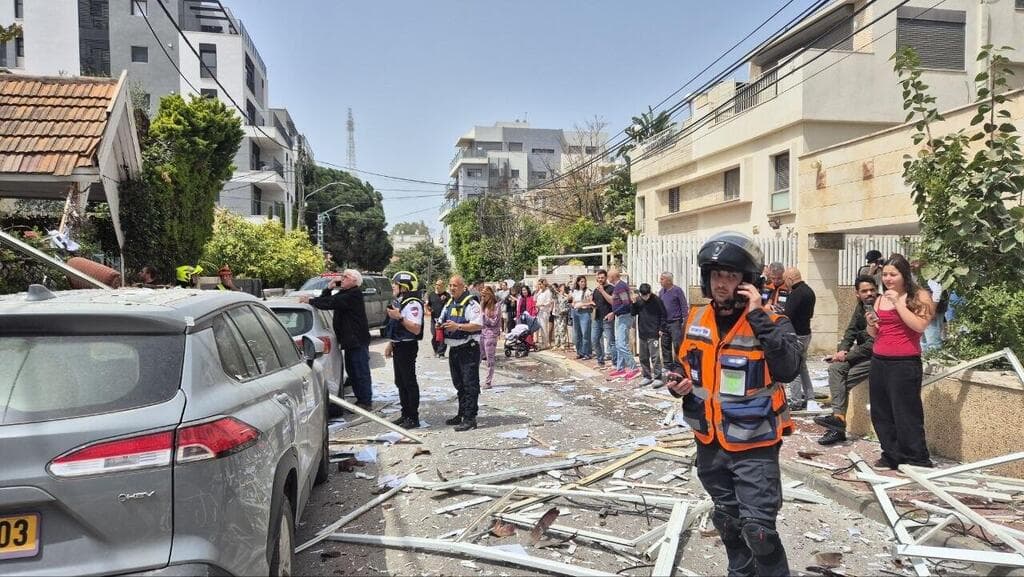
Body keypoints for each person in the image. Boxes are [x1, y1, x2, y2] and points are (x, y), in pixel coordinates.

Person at [666, 231, 802, 577]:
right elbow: (685, 367)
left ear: (747, 282)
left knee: (759, 532)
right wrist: (677, 384)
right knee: (728, 522)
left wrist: (757, 315)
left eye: (731, 276)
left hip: (754, 443)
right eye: (717, 276)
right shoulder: (695, 320)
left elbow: (788, 369)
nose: (722, 283)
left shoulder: (772, 321)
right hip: (709, 442)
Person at [866, 253, 934, 470]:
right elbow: (875, 334)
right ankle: (891, 454)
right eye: (885, 274)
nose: (887, 279)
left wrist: (899, 304)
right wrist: (870, 323)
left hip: (904, 363)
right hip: (879, 361)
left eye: (893, 275)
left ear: (904, 275)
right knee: (881, 412)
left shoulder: (919, 296)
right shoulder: (879, 298)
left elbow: (919, 326)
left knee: (906, 412)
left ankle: (917, 457)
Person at [815, 275, 878, 446]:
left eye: (872, 290)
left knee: (840, 384)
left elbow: (874, 343)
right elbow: (850, 332)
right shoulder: (861, 308)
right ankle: (839, 420)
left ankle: (837, 426)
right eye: (865, 291)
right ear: (857, 293)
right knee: (836, 369)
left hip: (878, 357)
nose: (869, 293)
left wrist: (847, 355)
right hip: (862, 355)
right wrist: (842, 350)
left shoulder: (879, 307)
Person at [300, 269, 373, 410]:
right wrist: (328, 288)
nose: (342, 279)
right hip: (349, 340)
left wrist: (310, 300)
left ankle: (365, 401)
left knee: (360, 371)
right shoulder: (344, 293)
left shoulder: (353, 294)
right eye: (342, 276)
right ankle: (361, 400)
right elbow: (325, 299)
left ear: (354, 281)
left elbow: (329, 303)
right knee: (352, 371)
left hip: (357, 340)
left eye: (346, 277)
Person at [439, 276, 484, 431]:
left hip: (468, 349)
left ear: (463, 287)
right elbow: (442, 319)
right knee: (459, 384)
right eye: (450, 285)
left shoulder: (471, 303)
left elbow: (478, 324)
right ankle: (462, 413)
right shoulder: (450, 302)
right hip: (454, 349)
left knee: (469, 384)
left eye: (455, 285)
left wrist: (458, 326)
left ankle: (470, 418)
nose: (452, 288)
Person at [384, 271, 424, 428]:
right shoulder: (401, 301)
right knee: (400, 381)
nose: (393, 286)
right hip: (399, 345)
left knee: (409, 382)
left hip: (407, 346)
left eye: (396, 284)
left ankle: (413, 417)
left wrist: (399, 317)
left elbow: (415, 328)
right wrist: (391, 343)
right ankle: (405, 413)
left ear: (404, 286)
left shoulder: (413, 303)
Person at [781, 267, 816, 410]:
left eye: (785, 281)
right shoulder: (809, 291)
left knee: (793, 367)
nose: (785, 285)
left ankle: (795, 401)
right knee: (802, 367)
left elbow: (787, 315)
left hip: (796, 335)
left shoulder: (796, 294)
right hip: (806, 332)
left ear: (789, 279)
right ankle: (810, 396)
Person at [597, 267, 640, 381]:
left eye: (609, 276)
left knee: (621, 344)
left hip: (624, 317)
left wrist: (613, 312)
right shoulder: (618, 286)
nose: (608, 278)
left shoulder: (620, 287)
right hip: (619, 316)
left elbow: (626, 303)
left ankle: (633, 368)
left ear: (613, 277)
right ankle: (620, 368)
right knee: (619, 343)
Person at [632, 283, 667, 387]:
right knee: (643, 357)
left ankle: (658, 377)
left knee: (655, 356)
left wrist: (661, 328)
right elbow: (633, 313)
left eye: (647, 295)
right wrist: (633, 304)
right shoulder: (638, 300)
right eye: (643, 295)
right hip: (642, 332)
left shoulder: (657, 300)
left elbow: (663, 315)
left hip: (654, 332)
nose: (645, 298)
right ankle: (647, 376)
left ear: (650, 292)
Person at [658, 271, 688, 373]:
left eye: (662, 279)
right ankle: (667, 365)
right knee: (665, 344)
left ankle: (679, 364)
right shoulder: (661, 292)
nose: (660, 281)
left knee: (677, 344)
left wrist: (685, 319)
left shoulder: (677, 291)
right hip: (664, 322)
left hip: (675, 322)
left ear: (669, 280)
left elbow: (684, 305)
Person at [591, 269, 617, 369]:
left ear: (606, 278)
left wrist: (602, 291)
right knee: (594, 340)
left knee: (611, 341)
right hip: (597, 318)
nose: (600, 279)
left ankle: (615, 363)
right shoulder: (596, 290)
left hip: (607, 318)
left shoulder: (611, 288)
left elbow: (612, 302)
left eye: (602, 277)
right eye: (599, 278)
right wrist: (591, 304)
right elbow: (594, 302)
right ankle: (600, 361)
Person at [479, 286, 502, 389]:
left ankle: (488, 382)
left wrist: (485, 317)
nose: (483, 298)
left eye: (485, 295)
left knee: (490, 358)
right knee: (478, 357)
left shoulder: (496, 306)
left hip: (491, 334)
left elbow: (494, 322)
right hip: (482, 333)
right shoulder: (482, 304)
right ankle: (475, 379)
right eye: (482, 296)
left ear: (490, 295)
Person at [426, 279, 451, 358]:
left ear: (443, 286)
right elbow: (428, 305)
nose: (437, 286)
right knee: (434, 335)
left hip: (443, 319)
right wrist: (429, 309)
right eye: (436, 284)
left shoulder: (447, 295)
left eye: (439, 285)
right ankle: (436, 350)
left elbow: (450, 305)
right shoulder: (431, 295)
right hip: (434, 319)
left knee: (443, 336)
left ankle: (441, 353)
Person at [571, 275, 594, 360]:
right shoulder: (575, 291)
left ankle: (587, 353)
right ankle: (579, 352)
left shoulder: (588, 291)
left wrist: (582, 304)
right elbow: (573, 302)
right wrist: (574, 304)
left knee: (585, 333)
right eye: (581, 281)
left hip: (584, 313)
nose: (583, 283)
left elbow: (591, 302)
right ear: (578, 282)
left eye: (584, 281)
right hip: (576, 312)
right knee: (577, 334)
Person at [534, 278, 553, 350]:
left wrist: (541, 305)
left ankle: (546, 343)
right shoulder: (540, 291)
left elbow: (549, 302)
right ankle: (543, 343)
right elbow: (535, 299)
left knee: (544, 327)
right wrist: (537, 291)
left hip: (545, 312)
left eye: (540, 284)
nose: (539, 286)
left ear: (544, 284)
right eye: (538, 284)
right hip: (539, 311)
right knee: (541, 327)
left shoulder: (548, 292)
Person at [516, 285, 537, 349]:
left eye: (525, 290)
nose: (524, 291)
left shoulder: (531, 298)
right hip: (522, 317)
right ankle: (523, 343)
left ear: (528, 290)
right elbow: (518, 308)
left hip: (529, 316)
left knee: (529, 331)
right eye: (523, 290)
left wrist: (533, 316)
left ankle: (529, 343)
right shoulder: (521, 299)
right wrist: (517, 316)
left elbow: (534, 308)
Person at [554, 284, 571, 350]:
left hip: (563, 315)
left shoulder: (566, 297)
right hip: (556, 315)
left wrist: (563, 311)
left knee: (562, 330)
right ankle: (556, 344)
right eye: (561, 287)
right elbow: (553, 292)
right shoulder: (557, 295)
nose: (562, 289)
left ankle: (563, 344)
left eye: (564, 288)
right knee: (556, 330)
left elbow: (568, 307)